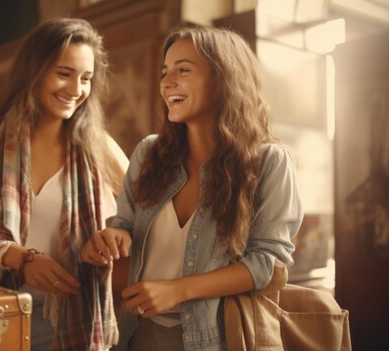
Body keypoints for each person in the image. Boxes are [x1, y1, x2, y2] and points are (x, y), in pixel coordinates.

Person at [80, 25, 304, 351]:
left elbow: (265, 265)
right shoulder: (148, 153)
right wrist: (115, 236)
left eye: (183, 70)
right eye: (164, 72)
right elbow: (125, 223)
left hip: (220, 338)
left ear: (224, 78)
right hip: (136, 333)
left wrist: (178, 289)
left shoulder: (270, 162)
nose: (167, 82)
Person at [0, 18, 128, 350]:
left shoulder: (96, 143)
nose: (76, 90)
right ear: (34, 71)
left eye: (85, 79)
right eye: (64, 74)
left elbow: (145, 213)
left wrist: (114, 234)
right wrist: (22, 258)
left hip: (80, 317)